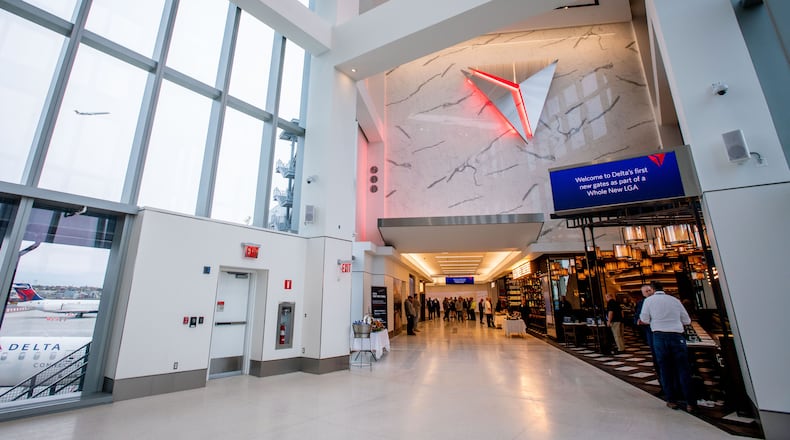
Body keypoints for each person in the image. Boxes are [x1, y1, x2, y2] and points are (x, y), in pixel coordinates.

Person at [640, 280, 695, 413]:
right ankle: (691, 403)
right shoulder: (674, 300)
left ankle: (671, 400)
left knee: (665, 368)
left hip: (659, 336)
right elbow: (687, 320)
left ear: (652, 289)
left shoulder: (649, 301)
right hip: (677, 336)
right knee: (683, 369)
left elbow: (644, 319)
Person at [636, 283, 662, 396]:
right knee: (658, 360)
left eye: (649, 290)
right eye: (645, 292)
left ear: (653, 290)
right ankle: (664, 386)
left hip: (666, 334)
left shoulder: (665, 300)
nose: (648, 293)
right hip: (652, 334)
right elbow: (638, 319)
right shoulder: (642, 303)